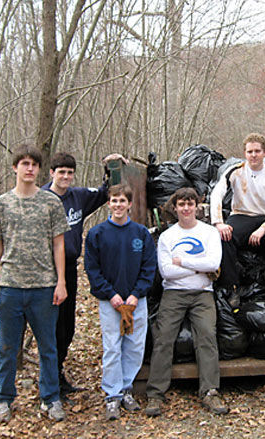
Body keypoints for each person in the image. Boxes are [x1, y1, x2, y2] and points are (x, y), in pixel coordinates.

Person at [0, 145, 70, 422]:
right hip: (10, 286)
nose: (30, 168)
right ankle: (3, 399)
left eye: (34, 164)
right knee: (8, 348)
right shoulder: (1, 204)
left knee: (48, 347)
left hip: (44, 288)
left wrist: (61, 282)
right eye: (24, 164)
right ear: (15, 168)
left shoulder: (50, 203)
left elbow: (59, 245)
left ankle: (51, 398)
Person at [42, 151, 127, 396]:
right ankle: (48, 381)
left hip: (68, 268)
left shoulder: (78, 196)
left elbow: (105, 192)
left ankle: (57, 375)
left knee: (67, 326)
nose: (66, 177)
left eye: (70, 172)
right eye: (61, 172)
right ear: (52, 173)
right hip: (45, 270)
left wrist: (112, 166)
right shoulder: (42, 199)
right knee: (49, 325)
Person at [145, 188, 229, 417]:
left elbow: (213, 263)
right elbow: (166, 272)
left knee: (207, 337)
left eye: (190, 204)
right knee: (163, 339)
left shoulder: (209, 233)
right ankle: (155, 394)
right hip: (173, 294)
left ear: (196, 207)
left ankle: (210, 391)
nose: (186, 208)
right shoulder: (167, 236)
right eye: (181, 204)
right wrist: (198, 266)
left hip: (203, 293)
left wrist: (182, 261)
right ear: (175, 208)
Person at [85, 184, 156, 421]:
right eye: (114, 201)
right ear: (108, 204)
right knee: (113, 347)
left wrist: (136, 294)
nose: (118, 205)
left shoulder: (141, 233)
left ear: (129, 204)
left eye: (122, 201)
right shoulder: (97, 234)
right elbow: (92, 270)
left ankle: (127, 389)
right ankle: (112, 395)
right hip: (110, 302)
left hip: (137, 301)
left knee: (135, 346)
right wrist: (110, 295)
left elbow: (149, 268)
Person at [210, 133, 265, 291]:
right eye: (250, 152)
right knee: (223, 236)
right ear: (245, 153)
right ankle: (231, 286)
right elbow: (217, 193)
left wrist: (264, 228)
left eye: (257, 151)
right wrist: (218, 223)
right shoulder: (235, 171)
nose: (253, 155)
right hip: (241, 216)